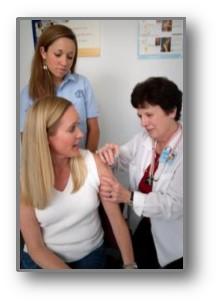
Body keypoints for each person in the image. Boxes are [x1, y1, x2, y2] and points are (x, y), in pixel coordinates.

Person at [20, 96, 136, 269]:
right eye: (71, 128)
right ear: (46, 137)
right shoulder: (24, 180)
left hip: (90, 255)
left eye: (78, 125)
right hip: (43, 260)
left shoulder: (93, 162)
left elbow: (117, 220)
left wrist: (130, 265)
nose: (81, 134)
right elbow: (36, 249)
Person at [97, 77, 183, 269]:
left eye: (149, 115)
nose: (143, 123)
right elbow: (122, 158)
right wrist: (110, 155)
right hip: (143, 223)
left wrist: (128, 197)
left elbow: (174, 205)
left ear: (172, 111)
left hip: (173, 235)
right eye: (139, 115)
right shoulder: (144, 139)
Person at [20, 24, 99, 152]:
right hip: (48, 166)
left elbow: (94, 128)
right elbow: (27, 139)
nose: (64, 63)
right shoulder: (28, 93)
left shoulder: (82, 84)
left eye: (70, 57)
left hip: (79, 160)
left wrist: (88, 161)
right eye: (58, 54)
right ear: (43, 52)